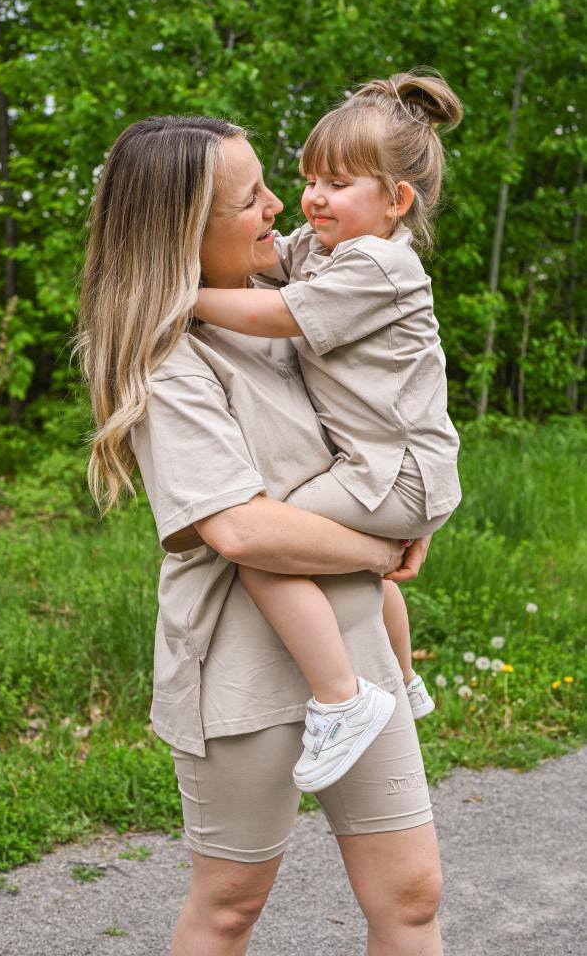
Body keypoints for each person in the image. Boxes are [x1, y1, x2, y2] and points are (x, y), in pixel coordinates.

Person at [78, 114, 444, 956]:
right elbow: (238, 527)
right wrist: (379, 553)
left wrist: (398, 518)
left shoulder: (287, 303)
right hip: (239, 660)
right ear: (185, 230)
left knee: (413, 897)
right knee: (232, 903)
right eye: (251, 198)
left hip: (351, 648)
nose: (282, 203)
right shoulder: (163, 352)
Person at [194, 72, 463, 793]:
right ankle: (403, 680)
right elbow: (268, 263)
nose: (313, 198)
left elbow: (272, 314)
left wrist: (181, 299)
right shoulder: (327, 245)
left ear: (395, 201)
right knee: (341, 563)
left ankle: (342, 699)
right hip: (390, 464)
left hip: (396, 472)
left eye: (337, 183)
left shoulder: (380, 265)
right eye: (310, 177)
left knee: (265, 548)